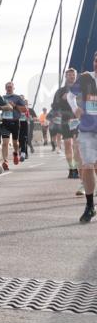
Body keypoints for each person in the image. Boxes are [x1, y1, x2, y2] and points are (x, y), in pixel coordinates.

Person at [71, 52, 97, 222]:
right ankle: (90, 205)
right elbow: (70, 96)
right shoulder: (85, 78)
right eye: (96, 60)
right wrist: (76, 109)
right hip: (88, 128)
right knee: (87, 165)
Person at [51, 69, 81, 179]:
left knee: (77, 146)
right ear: (66, 76)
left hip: (79, 120)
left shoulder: (81, 89)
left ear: (76, 76)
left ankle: (79, 168)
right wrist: (61, 101)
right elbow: (54, 106)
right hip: (65, 120)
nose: (72, 76)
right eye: (69, 75)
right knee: (68, 144)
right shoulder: (60, 91)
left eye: (73, 75)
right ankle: (72, 169)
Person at [0, 82, 27, 167]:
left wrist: (15, 106)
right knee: (5, 143)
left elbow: (24, 110)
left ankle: (15, 153)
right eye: (7, 87)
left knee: (15, 143)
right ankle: (5, 161)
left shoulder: (17, 98)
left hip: (15, 122)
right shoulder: (2, 98)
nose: (9, 88)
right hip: (5, 122)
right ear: (5, 88)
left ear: (13, 88)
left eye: (10, 87)